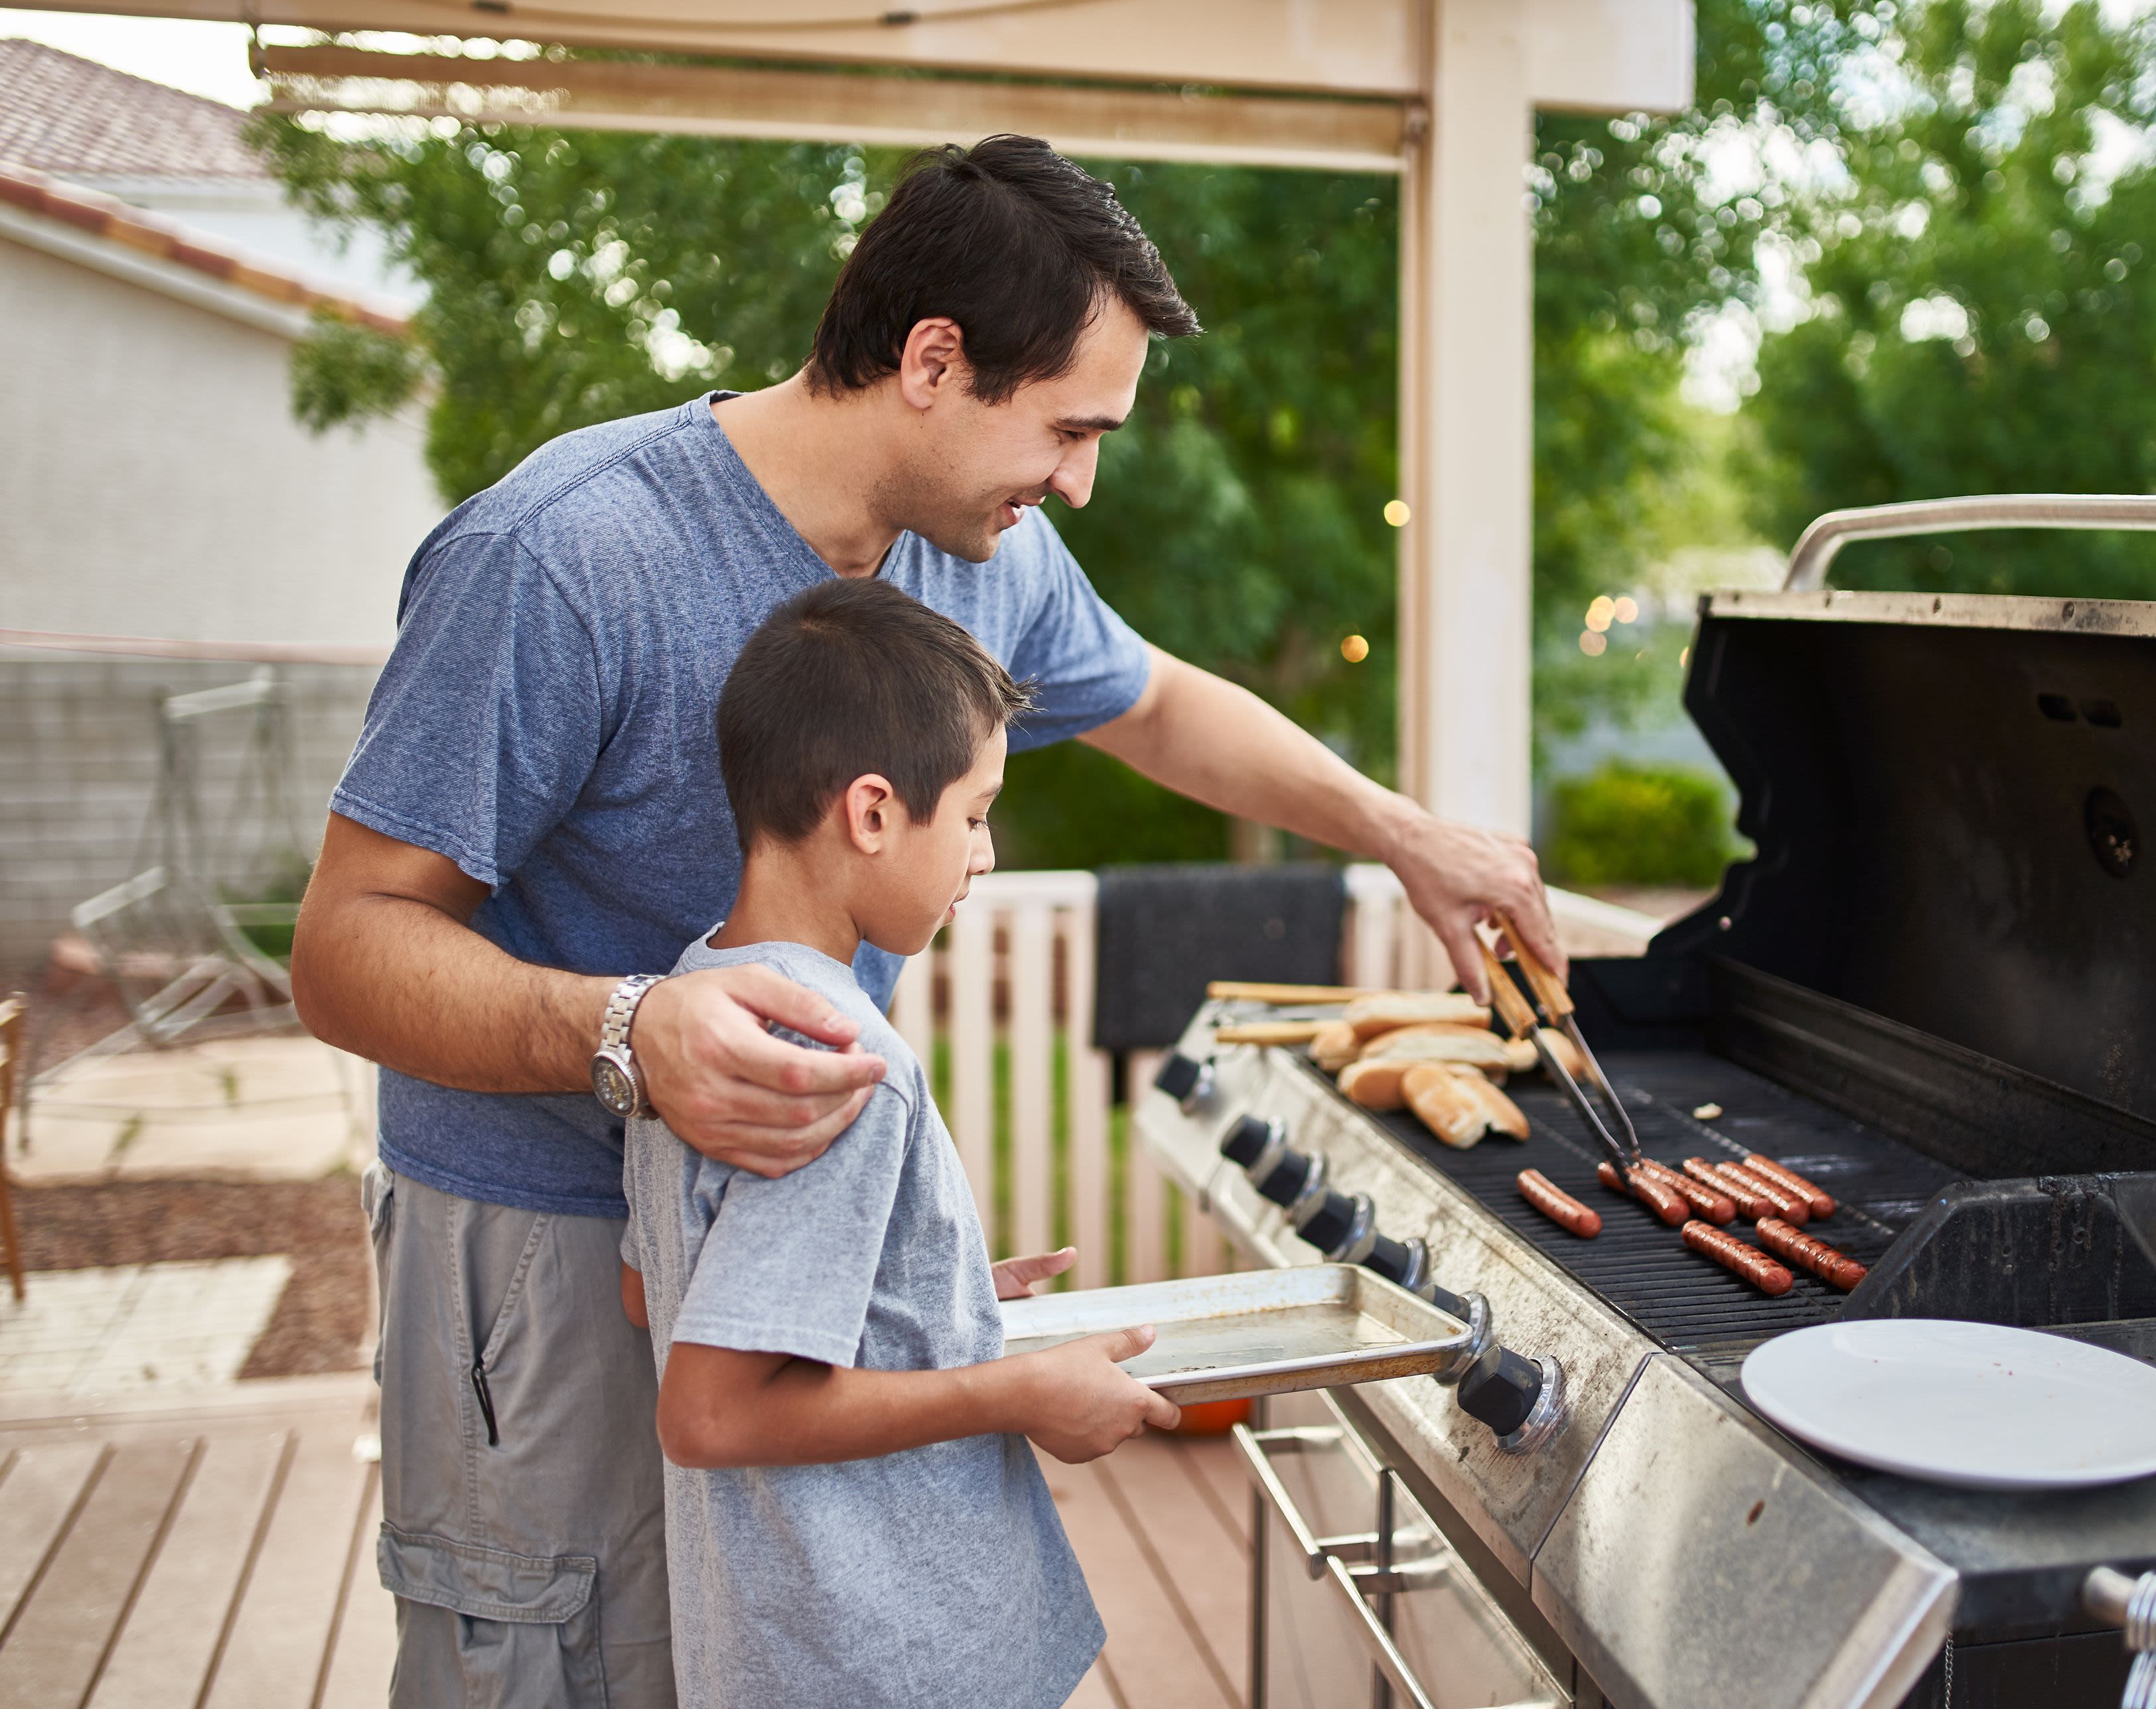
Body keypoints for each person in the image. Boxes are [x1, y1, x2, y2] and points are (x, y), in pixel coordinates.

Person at [293, 133, 1559, 1706]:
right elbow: (345, 945)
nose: (1082, 479)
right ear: (934, 359)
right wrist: (631, 1033)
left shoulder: (986, 556)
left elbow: (1158, 705)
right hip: (542, 1254)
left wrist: (1407, 835)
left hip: (764, 1260)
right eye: (1069, 427)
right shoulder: (567, 554)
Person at [621, 575, 1173, 1709]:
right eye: (973, 815)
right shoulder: (839, 1059)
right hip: (883, 1660)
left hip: (767, 1650)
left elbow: (659, 1294)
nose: (985, 856)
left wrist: (931, 1300)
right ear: (872, 813)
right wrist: (1016, 1390)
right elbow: (711, 1409)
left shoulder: (699, 1007)